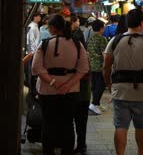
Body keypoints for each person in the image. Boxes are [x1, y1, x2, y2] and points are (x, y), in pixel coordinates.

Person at [103, 9, 143, 155]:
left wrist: (109, 85)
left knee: (120, 126)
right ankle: (140, 152)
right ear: (142, 23)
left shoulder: (114, 41)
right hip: (142, 91)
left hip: (120, 89)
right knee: (141, 126)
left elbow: (106, 66)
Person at [31, 15, 89, 155]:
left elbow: (36, 69)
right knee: (68, 123)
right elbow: (83, 68)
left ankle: (49, 151)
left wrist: (52, 82)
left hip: (47, 91)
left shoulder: (44, 44)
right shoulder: (76, 44)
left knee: (49, 123)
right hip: (71, 91)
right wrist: (68, 85)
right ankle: (66, 152)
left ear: (52, 28)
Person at [69, 15, 91, 154]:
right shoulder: (85, 54)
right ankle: (81, 145)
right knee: (81, 122)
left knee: (70, 121)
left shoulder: (68, 53)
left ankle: (71, 145)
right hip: (83, 94)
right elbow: (87, 74)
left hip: (71, 92)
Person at [87, 19, 108, 115]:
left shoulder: (90, 38)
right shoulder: (102, 39)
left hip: (91, 65)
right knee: (101, 85)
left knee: (95, 85)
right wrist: (107, 65)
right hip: (100, 66)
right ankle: (94, 104)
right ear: (101, 28)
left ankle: (96, 103)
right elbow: (105, 54)